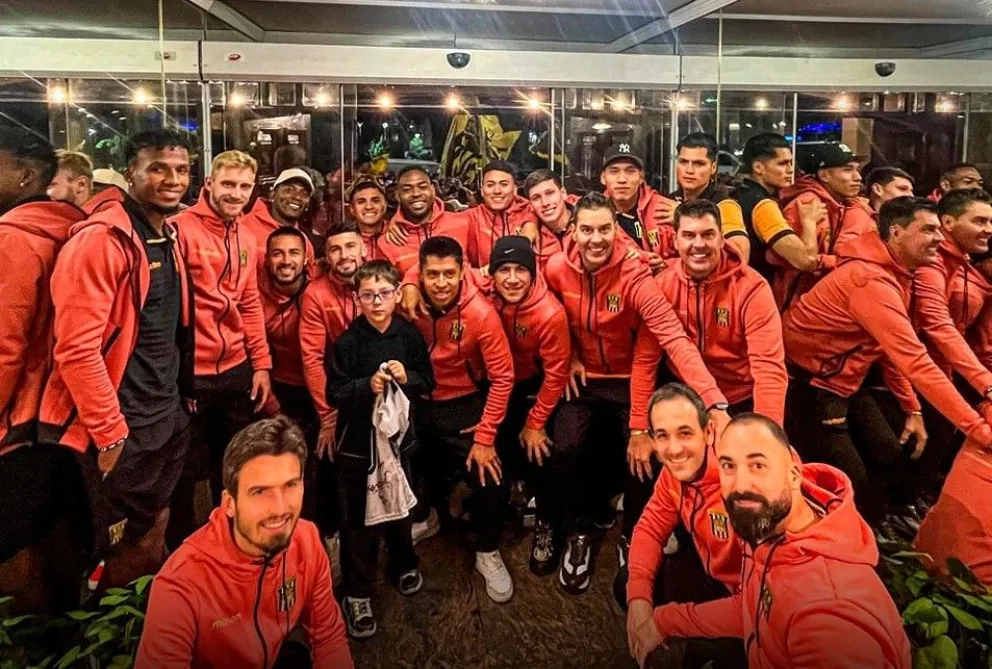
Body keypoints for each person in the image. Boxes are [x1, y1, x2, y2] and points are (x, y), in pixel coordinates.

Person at [543, 192, 728, 597]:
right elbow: (547, 315)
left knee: (643, 453)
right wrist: (571, 353)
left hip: (630, 378)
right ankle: (581, 529)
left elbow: (674, 339)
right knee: (566, 449)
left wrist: (713, 401)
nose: (596, 239)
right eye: (587, 229)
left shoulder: (635, 275)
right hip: (583, 379)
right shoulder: (557, 267)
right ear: (572, 230)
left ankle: (636, 532)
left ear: (616, 229)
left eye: (605, 229)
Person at [39, 129, 195, 592]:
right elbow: (76, 348)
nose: (172, 179)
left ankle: (153, 629)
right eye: (158, 168)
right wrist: (110, 434)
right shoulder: (101, 242)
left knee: (153, 532)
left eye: (182, 170)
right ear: (131, 173)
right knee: (115, 549)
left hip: (165, 415)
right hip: (124, 427)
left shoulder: (166, 234)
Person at [631, 413, 912, 669]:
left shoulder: (828, 615)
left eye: (758, 465)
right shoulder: (770, 527)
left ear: (793, 474)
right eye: (728, 465)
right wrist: (664, 622)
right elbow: (756, 607)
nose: (741, 485)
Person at [783, 197, 992, 521]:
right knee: (855, 481)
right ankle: (841, 549)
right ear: (896, 232)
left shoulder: (899, 272)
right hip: (811, 385)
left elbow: (888, 349)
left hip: (845, 380)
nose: (939, 237)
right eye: (928, 229)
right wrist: (979, 429)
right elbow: (917, 357)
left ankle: (877, 530)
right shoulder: (872, 280)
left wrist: (912, 408)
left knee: (892, 452)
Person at [136, 417, 354, 669]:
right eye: (260, 491)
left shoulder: (305, 539)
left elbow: (328, 637)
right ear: (229, 503)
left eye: (290, 485)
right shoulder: (181, 586)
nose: (280, 508)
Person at [0, 129, 86, 613]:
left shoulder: (13, 238)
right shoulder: (76, 228)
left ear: (26, 175)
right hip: (68, 417)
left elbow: (4, 348)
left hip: (19, 423)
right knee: (59, 540)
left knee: (16, 549)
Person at [326, 259, 434, 638]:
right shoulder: (348, 341)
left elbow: (427, 380)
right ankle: (358, 589)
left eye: (384, 294)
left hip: (400, 441)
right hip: (358, 444)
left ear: (397, 294)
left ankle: (403, 562)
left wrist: (409, 377)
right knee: (357, 518)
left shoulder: (408, 335)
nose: (376, 302)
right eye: (368, 295)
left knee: (401, 508)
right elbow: (334, 392)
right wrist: (364, 387)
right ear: (356, 298)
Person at [409, 236, 516, 603]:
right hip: (417, 400)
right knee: (408, 463)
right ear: (420, 275)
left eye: (449, 274)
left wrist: (485, 436)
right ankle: (429, 514)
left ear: (462, 274)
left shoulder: (481, 313)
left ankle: (487, 550)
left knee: (490, 478)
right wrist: (408, 283)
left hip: (465, 401)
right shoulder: (408, 303)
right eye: (432, 274)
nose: (440, 282)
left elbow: (503, 377)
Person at [173, 150, 273, 511]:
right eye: (228, 184)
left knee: (232, 465)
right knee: (181, 472)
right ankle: (181, 549)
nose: (236, 194)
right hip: (190, 371)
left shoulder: (247, 236)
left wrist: (260, 364)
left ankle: (227, 537)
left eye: (245, 186)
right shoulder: (180, 229)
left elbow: (249, 302)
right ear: (210, 184)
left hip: (234, 367)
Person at [626, 385, 746, 669]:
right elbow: (650, 528)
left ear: (709, 432)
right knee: (627, 585)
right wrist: (639, 599)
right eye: (662, 436)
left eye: (685, 433)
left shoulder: (744, 489)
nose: (674, 449)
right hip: (713, 573)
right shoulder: (673, 473)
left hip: (753, 604)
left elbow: (760, 606)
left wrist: (666, 623)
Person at [656, 200, 787, 424]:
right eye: (689, 235)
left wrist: (768, 436)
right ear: (675, 240)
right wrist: (638, 426)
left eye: (708, 235)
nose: (699, 244)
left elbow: (769, 369)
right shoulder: (662, 283)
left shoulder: (752, 287)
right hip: (682, 393)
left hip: (738, 396)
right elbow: (648, 356)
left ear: (721, 238)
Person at [485, 236, 571, 575]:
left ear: (533, 274)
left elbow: (557, 375)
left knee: (542, 451)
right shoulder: (486, 294)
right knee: (499, 444)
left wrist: (535, 422)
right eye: (503, 270)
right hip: (497, 383)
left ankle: (549, 522)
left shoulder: (550, 313)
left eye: (521, 270)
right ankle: (512, 496)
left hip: (536, 386)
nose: (512, 278)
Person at [912, 188, 992, 487]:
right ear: (948, 222)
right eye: (980, 221)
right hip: (916, 370)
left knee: (941, 441)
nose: (988, 230)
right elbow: (936, 324)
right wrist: (985, 383)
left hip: (946, 367)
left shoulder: (962, 262)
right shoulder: (933, 264)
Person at [775, 142, 874, 310]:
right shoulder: (808, 204)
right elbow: (790, 260)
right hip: (796, 306)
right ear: (824, 175)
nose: (858, 177)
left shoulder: (838, 203)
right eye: (847, 170)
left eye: (857, 169)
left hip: (815, 301)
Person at [299, 220, 365, 463]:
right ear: (326, 256)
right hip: (338, 390)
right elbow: (312, 359)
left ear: (364, 249)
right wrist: (328, 415)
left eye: (350, 246)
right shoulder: (315, 294)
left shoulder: (381, 281)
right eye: (335, 250)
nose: (344, 255)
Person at [733, 133, 825, 282]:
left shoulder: (739, 194)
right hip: (755, 292)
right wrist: (809, 222)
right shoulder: (763, 206)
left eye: (790, 163)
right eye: (782, 164)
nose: (790, 170)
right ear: (758, 167)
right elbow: (807, 260)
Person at [258, 226, 315, 429]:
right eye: (277, 253)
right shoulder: (255, 297)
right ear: (266, 260)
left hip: (318, 386)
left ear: (306, 259)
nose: (286, 261)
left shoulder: (318, 290)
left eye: (294, 253)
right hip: (276, 386)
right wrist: (274, 410)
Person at [669, 133, 750, 261]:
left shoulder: (724, 204)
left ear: (713, 168)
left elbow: (740, 253)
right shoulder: (670, 199)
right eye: (683, 162)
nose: (689, 170)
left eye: (698, 164)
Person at [600, 143, 678, 273]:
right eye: (614, 171)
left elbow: (697, 254)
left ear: (641, 177)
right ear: (603, 178)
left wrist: (667, 265)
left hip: (665, 285)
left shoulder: (667, 209)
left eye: (630, 171)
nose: (622, 179)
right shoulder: (595, 213)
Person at [378, 165, 468, 274]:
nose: (416, 194)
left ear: (433, 190)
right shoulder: (387, 242)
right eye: (407, 189)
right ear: (398, 195)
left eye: (422, 187)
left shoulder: (464, 223)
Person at [242, 167, 318, 272]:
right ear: (272, 194)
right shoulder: (243, 226)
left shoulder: (304, 242)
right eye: (288, 190)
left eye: (304, 193)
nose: (297, 197)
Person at [464, 161, 537, 268]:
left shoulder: (531, 211)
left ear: (515, 189)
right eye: (490, 185)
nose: (497, 191)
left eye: (504, 184)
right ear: (482, 190)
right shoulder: (469, 218)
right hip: (483, 283)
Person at [522, 168, 576, 269]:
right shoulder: (531, 235)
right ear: (530, 205)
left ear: (563, 193)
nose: (545, 203)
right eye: (536, 198)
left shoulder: (587, 220)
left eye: (550, 193)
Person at [348, 177, 388, 260]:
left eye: (375, 200)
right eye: (361, 202)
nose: (368, 207)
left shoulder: (400, 233)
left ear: (384, 206)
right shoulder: (344, 237)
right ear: (352, 209)